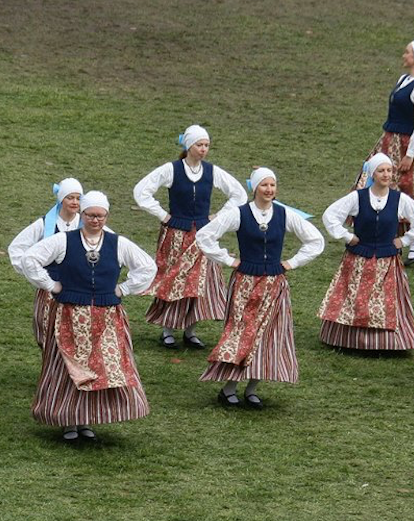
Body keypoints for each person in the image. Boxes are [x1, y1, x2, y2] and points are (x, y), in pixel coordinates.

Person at [21, 191, 157, 441]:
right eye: (91, 215)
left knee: (100, 368)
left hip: (106, 317)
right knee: (66, 368)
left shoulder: (118, 243)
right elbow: (30, 259)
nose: (96, 220)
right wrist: (51, 285)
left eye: (100, 216)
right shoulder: (63, 241)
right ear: (82, 215)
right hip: (69, 316)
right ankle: (68, 421)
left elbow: (148, 267)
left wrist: (123, 288)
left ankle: (87, 419)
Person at [195, 168, 325, 408]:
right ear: (254, 188)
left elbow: (316, 241)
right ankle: (229, 388)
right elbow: (204, 236)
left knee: (268, 336)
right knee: (242, 333)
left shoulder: (284, 214)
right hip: (245, 282)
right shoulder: (240, 213)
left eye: (272, 185)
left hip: (274, 284)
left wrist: (290, 263)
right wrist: (228, 260)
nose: (269, 190)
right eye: (264, 185)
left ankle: (253, 388)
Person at [134, 125, 248, 349]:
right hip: (177, 235)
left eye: (206, 145)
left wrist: (216, 216)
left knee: (200, 283)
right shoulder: (172, 170)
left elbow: (239, 194)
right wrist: (163, 215)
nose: (204, 149)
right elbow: (142, 191)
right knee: (174, 279)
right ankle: (167, 330)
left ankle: (190, 330)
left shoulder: (212, 171)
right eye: (199, 145)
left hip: (204, 236)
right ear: (189, 146)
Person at [319, 153, 414, 350]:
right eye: (381, 171)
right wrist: (347, 236)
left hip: (386, 259)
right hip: (358, 257)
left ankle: (386, 343)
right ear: (373, 174)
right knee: (353, 297)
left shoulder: (399, 199)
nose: (386, 174)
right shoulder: (358, 197)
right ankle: (348, 340)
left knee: (385, 299)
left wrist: (404, 240)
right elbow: (330, 215)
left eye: (389, 170)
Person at [355, 39, 414, 265]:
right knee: (375, 181)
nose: (403, 55)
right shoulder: (403, 80)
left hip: (408, 145)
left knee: (411, 190)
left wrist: (411, 153)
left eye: (407, 52)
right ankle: (387, 233)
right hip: (390, 141)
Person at [8, 178, 85, 348]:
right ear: (61, 199)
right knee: (49, 335)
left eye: (78, 198)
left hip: (80, 289)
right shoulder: (44, 224)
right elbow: (16, 248)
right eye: (70, 197)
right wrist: (34, 273)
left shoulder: (86, 224)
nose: (74, 202)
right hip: (51, 289)